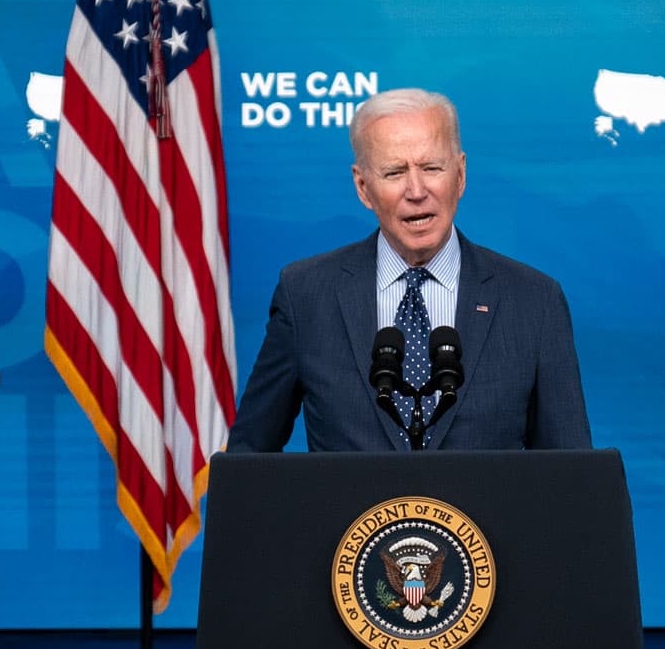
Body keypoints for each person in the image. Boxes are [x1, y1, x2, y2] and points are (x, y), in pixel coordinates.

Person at [224, 88, 591, 452]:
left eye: (431, 168)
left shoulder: (534, 301)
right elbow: (247, 460)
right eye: (394, 172)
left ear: (460, 174)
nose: (416, 191)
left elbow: (573, 474)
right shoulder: (305, 295)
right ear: (363, 187)